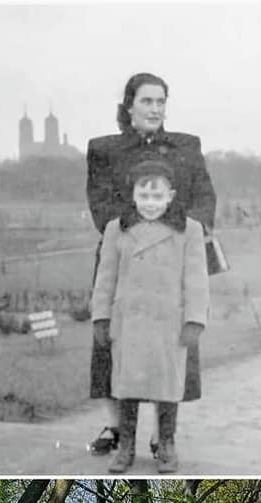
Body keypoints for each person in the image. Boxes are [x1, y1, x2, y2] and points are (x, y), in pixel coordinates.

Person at [86, 71, 216, 457]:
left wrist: (177, 231)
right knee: (112, 345)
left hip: (171, 260)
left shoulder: (186, 147)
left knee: (169, 350)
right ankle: (116, 428)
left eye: (161, 102)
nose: (155, 109)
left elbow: (205, 199)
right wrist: (142, 225)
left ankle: (163, 435)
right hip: (124, 255)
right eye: (146, 101)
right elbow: (102, 207)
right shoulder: (105, 150)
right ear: (129, 106)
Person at [89, 158, 209, 473]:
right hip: (128, 323)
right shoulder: (118, 229)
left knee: (167, 386)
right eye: (144, 196)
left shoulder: (189, 229)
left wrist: (194, 319)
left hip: (168, 325)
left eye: (158, 196)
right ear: (133, 195)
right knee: (127, 386)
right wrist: (101, 317)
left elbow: (197, 280)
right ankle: (126, 446)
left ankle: (166, 444)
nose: (151, 203)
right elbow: (105, 278)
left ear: (170, 195)